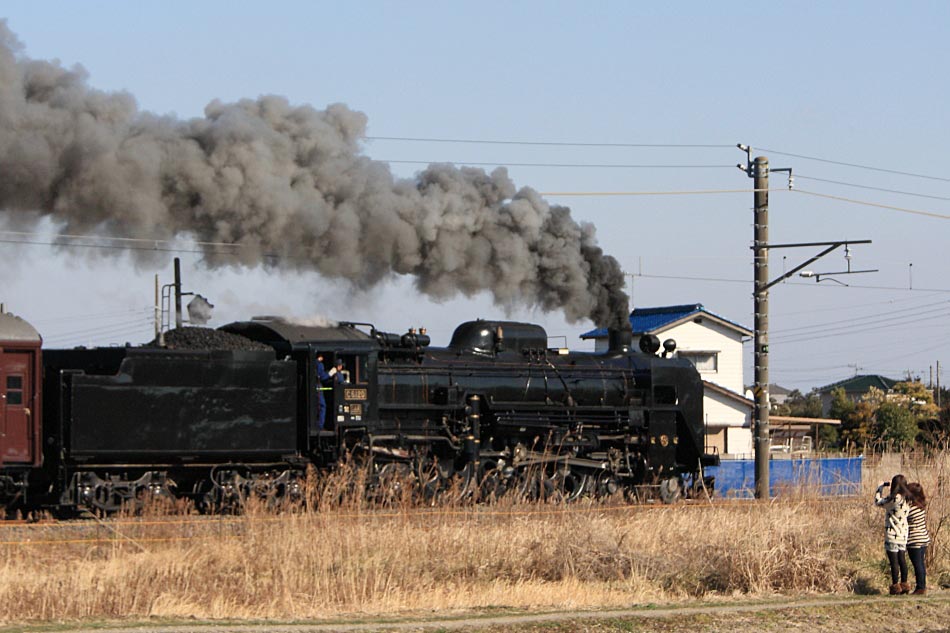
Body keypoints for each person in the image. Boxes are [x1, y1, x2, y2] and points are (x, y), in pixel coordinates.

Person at [875, 474, 911, 595]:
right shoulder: (908, 499)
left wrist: (880, 488)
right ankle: (905, 584)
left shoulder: (894, 499)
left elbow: (878, 502)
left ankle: (895, 586)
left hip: (892, 534)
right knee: (902, 560)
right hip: (903, 535)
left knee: (894, 562)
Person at [906, 482, 931, 595]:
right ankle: (922, 585)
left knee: (917, 564)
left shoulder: (911, 509)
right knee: (921, 563)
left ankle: (920, 588)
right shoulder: (921, 506)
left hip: (914, 539)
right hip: (923, 538)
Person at [314, 354, 332, 431]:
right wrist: (330, 373)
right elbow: (322, 376)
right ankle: (320, 425)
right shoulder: (319, 364)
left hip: (314, 386)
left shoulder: (314, 363)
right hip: (317, 386)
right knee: (322, 406)